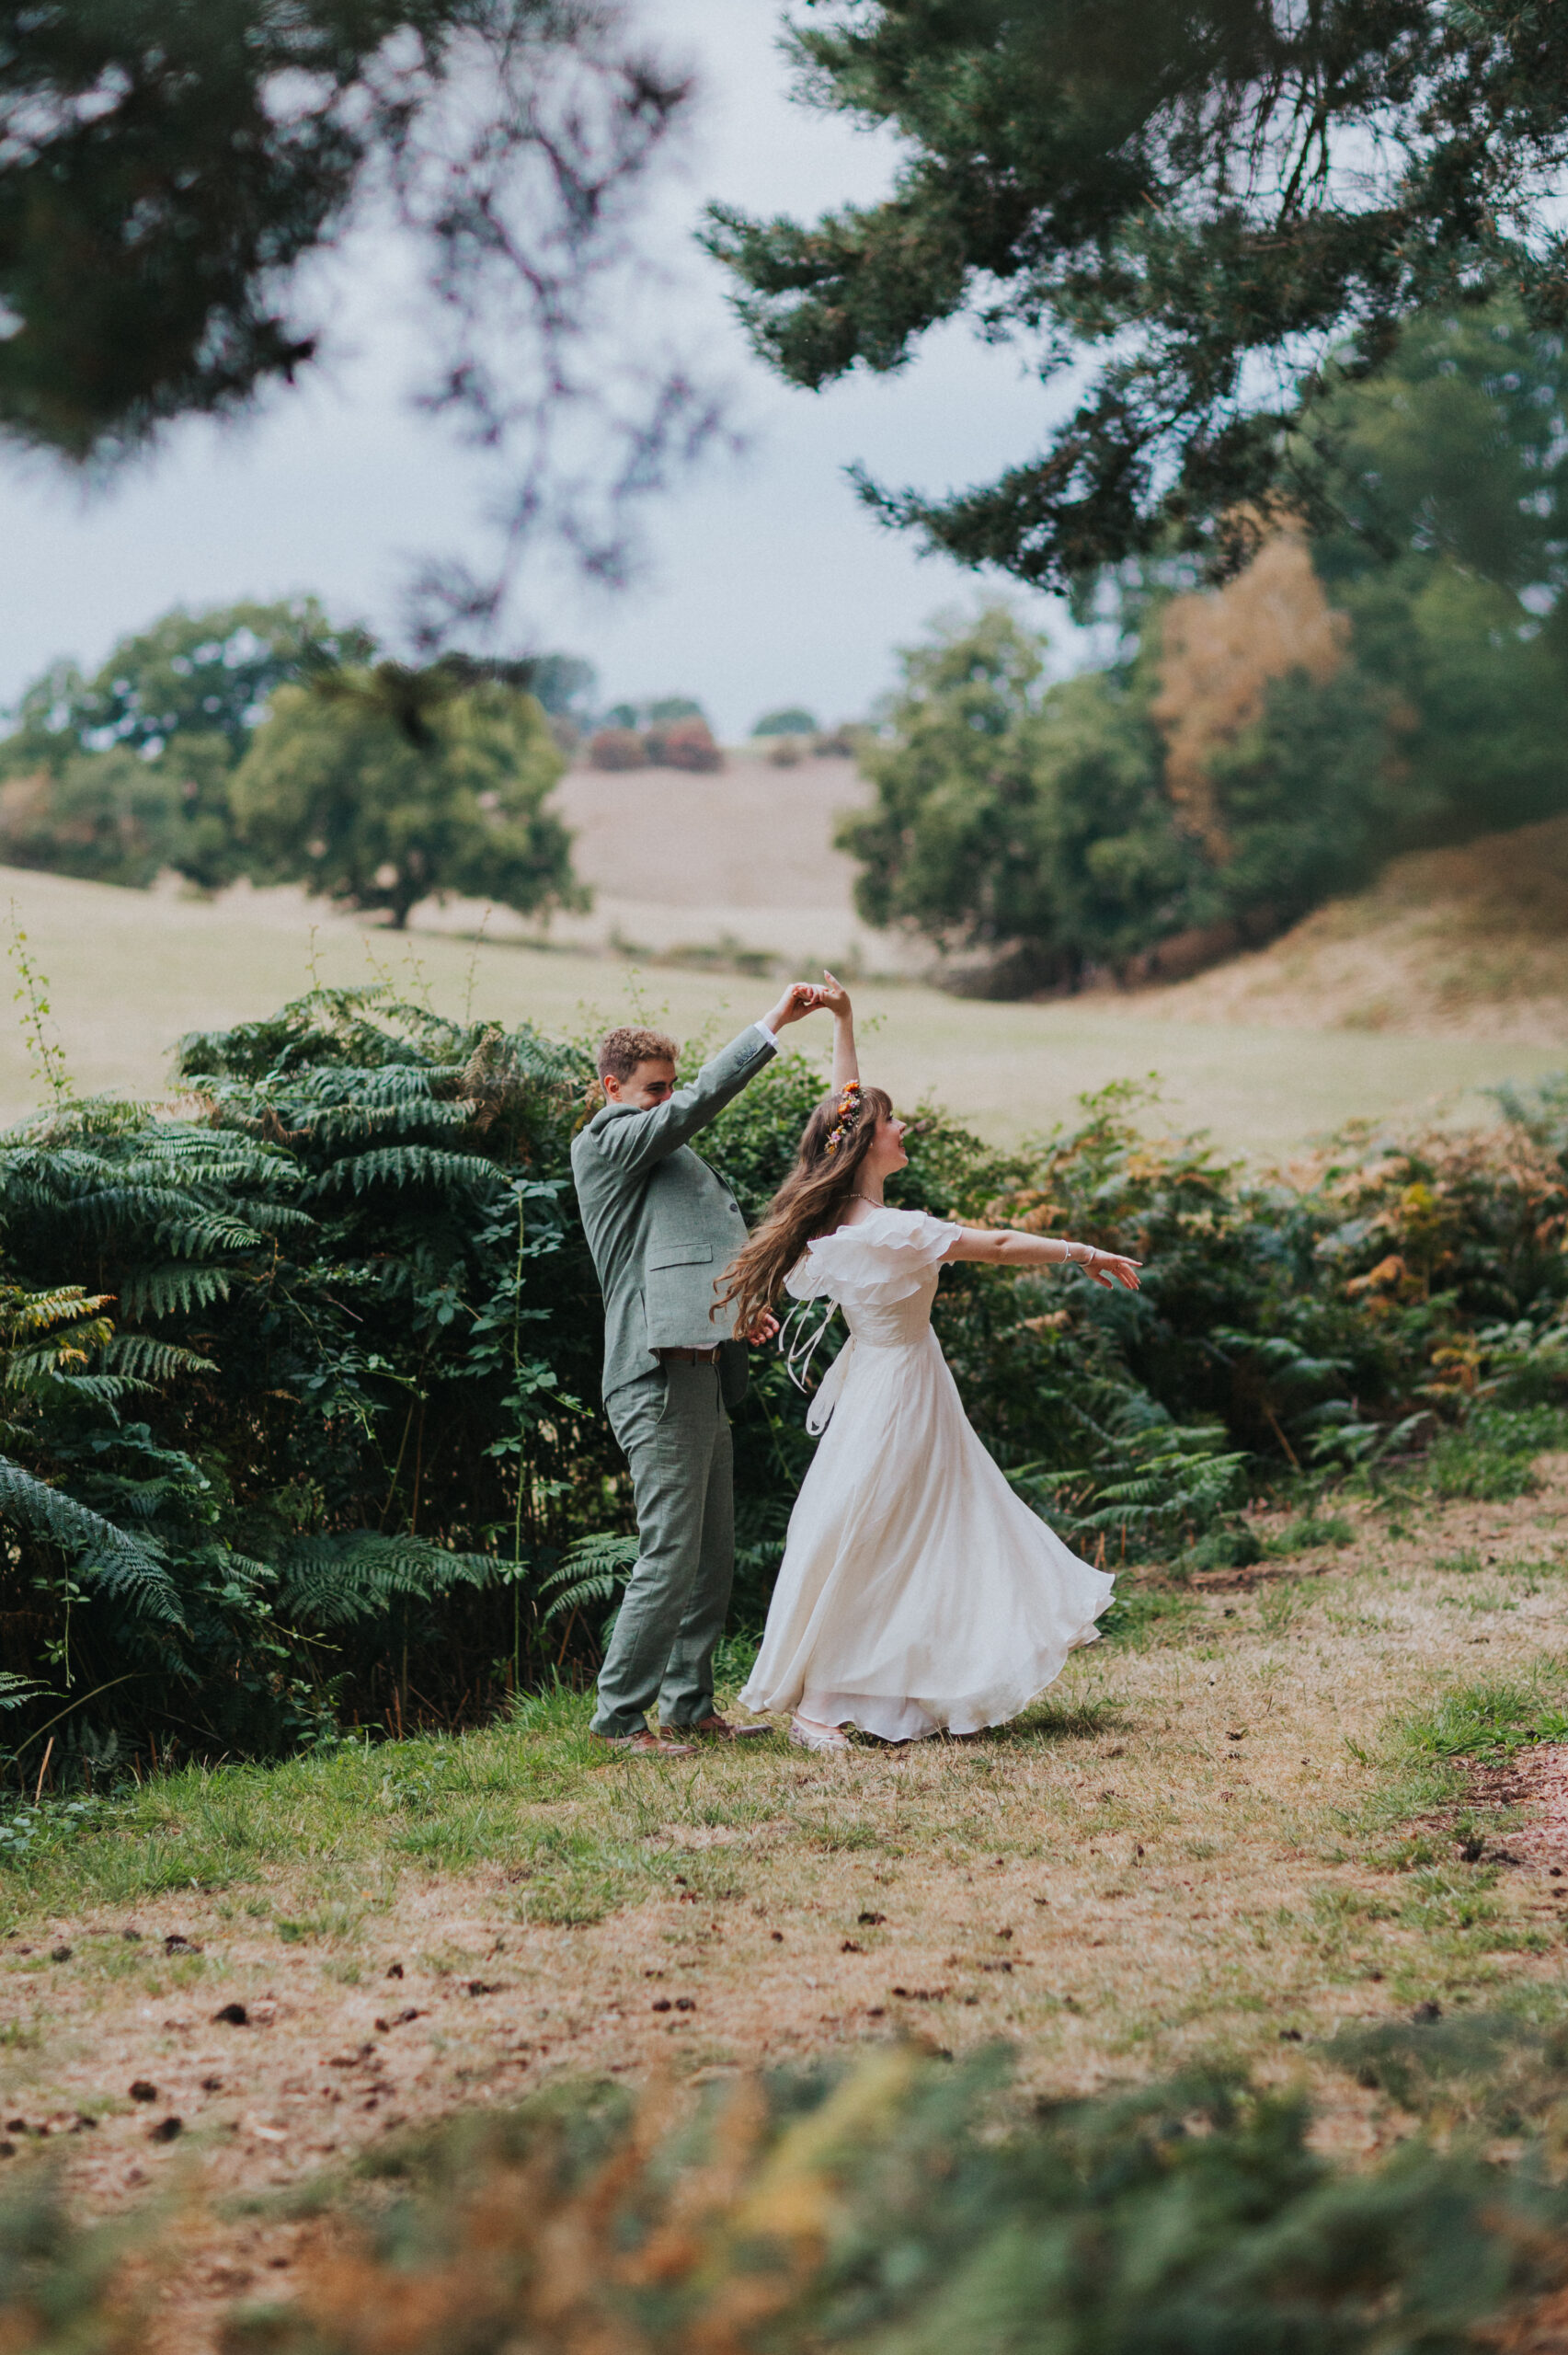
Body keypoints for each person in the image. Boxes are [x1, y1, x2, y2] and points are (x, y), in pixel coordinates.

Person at [717, 974, 1141, 1752]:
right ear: (866, 1143)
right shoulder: (894, 1230)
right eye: (892, 1122)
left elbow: (845, 1102)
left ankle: (903, 1684)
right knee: (882, 1532)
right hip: (898, 1392)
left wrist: (844, 1020)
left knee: (919, 1530)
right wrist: (1083, 1251)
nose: (902, 1125)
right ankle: (819, 1705)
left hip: (894, 1382)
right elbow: (1000, 1244)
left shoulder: (845, 1218)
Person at [572, 986, 828, 1755]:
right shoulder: (606, 1141)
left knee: (711, 1557)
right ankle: (620, 1720)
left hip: (703, 1373)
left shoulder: (659, 1151)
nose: (667, 1100)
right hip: (653, 1378)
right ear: (611, 1087)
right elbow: (695, 1108)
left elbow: (680, 1257)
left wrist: (736, 1312)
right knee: (669, 1553)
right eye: (654, 1088)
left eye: (670, 1087)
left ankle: (688, 1706)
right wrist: (770, 1025)